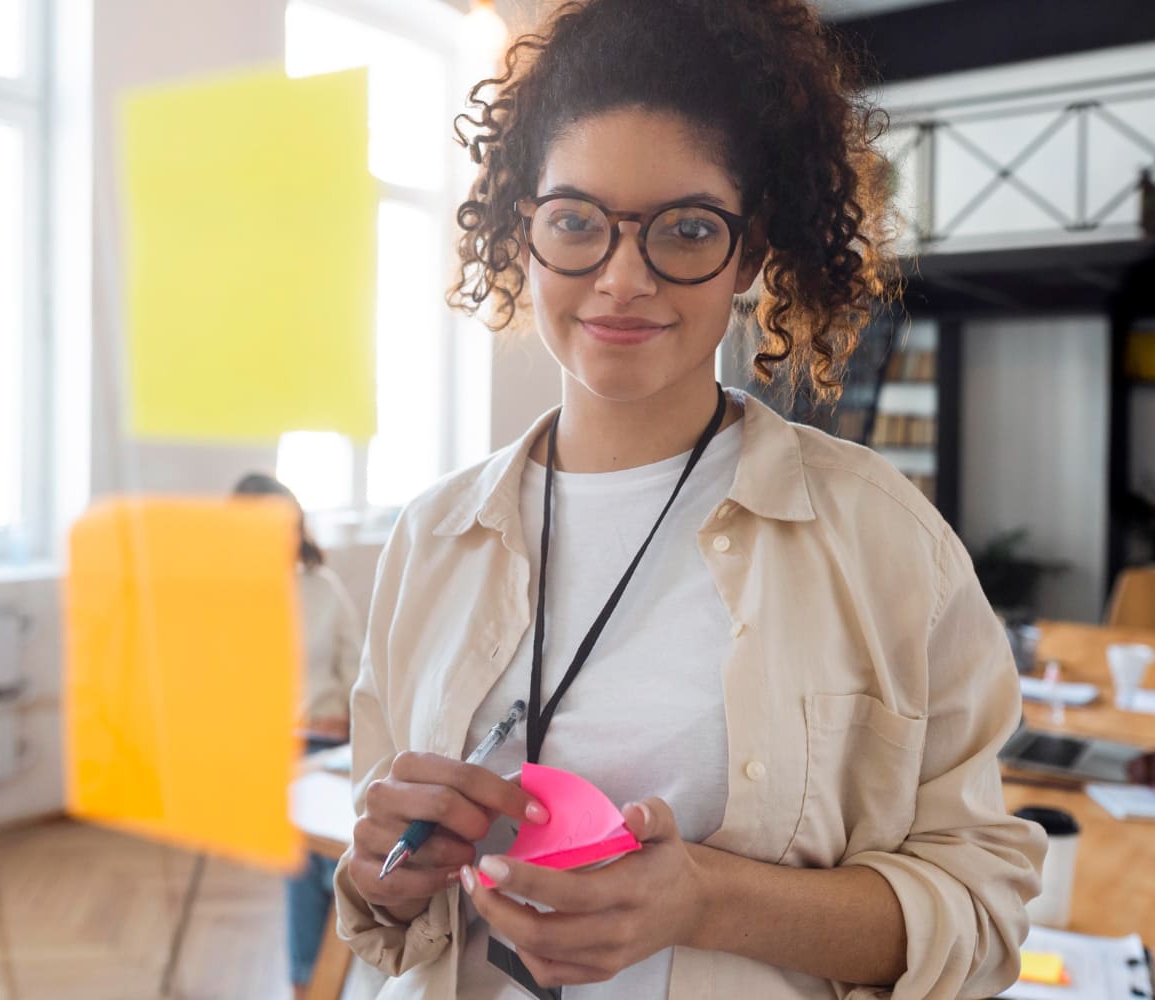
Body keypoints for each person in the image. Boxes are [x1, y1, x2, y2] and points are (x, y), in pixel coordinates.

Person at [332, 2, 1046, 998]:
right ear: (522, 232)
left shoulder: (881, 538)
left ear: (749, 255)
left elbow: (983, 912)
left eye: (688, 229)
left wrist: (707, 899)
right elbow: (388, 908)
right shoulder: (433, 537)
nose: (623, 278)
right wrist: (386, 868)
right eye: (575, 221)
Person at [232, 473, 364, 999]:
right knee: (319, 853)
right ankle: (316, 974)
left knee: (328, 844)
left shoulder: (323, 589)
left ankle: (312, 977)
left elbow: (359, 670)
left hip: (332, 744)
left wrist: (347, 715)